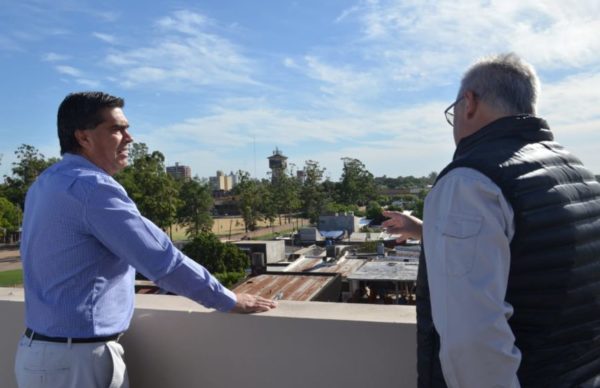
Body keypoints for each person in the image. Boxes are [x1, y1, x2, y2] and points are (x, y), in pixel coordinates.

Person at [15, 92, 277, 388]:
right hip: (77, 363)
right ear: (83, 137)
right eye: (116, 129)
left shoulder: (46, 183)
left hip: (40, 354)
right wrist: (228, 299)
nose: (129, 137)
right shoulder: (93, 188)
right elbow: (161, 261)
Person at [383, 53, 600, 388]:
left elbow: (472, 338)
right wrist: (425, 231)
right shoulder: (577, 170)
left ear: (468, 103)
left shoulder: (470, 182)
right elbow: (532, 258)